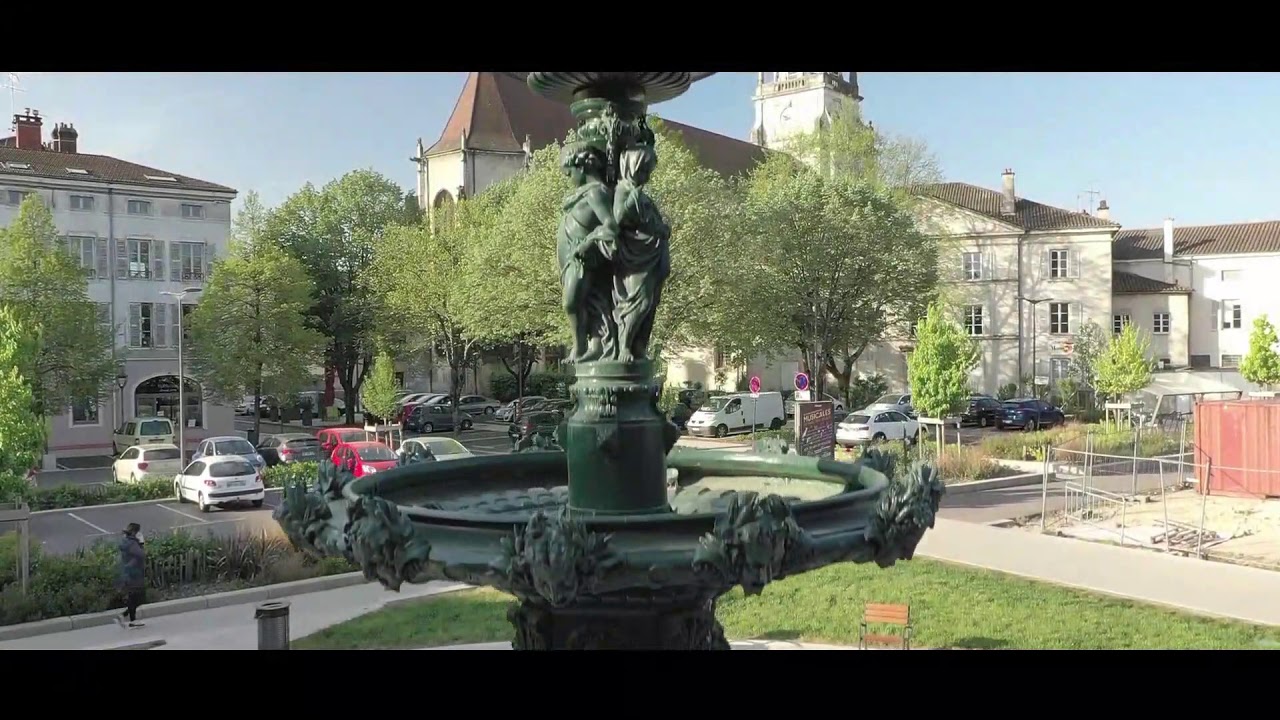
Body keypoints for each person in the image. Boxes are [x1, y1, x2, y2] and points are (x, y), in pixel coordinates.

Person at [115, 523, 147, 628]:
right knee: (139, 596)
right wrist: (141, 543)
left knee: (133, 596)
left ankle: (127, 617)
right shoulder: (133, 544)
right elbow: (141, 555)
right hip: (134, 573)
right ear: (135, 532)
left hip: (128, 572)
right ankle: (128, 618)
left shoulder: (126, 541)